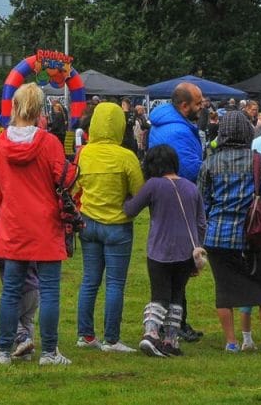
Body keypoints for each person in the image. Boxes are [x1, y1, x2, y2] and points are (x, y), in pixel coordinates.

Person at [0, 83, 73, 366]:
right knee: (49, 290)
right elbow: (64, 180)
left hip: (13, 224)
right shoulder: (50, 143)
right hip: (45, 224)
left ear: (14, 106)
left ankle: (2, 350)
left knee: (11, 290)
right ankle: (49, 352)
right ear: (39, 110)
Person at [198, 111, 261, 356]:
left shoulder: (209, 163)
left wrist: (201, 234)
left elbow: (203, 203)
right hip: (252, 235)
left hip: (217, 236)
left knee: (224, 291)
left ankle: (231, 343)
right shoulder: (259, 161)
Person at [123, 145, 206, 357]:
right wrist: (197, 249)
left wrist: (125, 196)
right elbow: (201, 223)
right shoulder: (191, 187)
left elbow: (131, 210)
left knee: (159, 294)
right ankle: (171, 340)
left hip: (160, 249)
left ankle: (151, 334)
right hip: (187, 251)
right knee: (177, 295)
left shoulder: (153, 185)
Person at [75, 101, 144, 353]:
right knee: (115, 283)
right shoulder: (126, 157)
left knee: (89, 280)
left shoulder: (85, 153)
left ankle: (85, 335)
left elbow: (74, 186)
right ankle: (111, 339)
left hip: (88, 223)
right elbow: (139, 192)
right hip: (118, 225)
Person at [147, 82, 205, 341]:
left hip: (164, 201)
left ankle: (173, 323)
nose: (202, 107)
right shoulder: (179, 130)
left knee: (172, 265)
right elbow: (189, 169)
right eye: (198, 103)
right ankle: (175, 325)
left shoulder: (166, 123)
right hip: (179, 199)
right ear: (184, 106)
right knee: (180, 265)